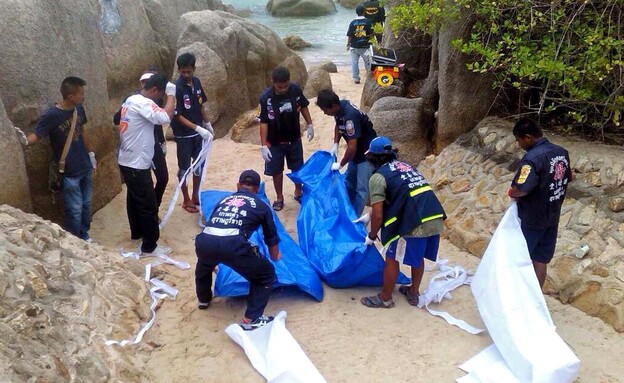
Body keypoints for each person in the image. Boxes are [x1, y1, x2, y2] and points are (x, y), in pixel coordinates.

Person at [359, 136, 446, 309]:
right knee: (418, 255)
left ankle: (385, 298)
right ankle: (413, 292)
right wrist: (369, 215)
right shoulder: (405, 166)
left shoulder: (377, 178)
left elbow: (378, 215)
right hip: (433, 216)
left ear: (372, 158)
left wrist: (372, 234)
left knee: (392, 257)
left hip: (414, 222)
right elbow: (402, 194)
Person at [194, 169, 282, 330]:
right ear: (257, 189)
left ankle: (203, 299)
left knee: (204, 264)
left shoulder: (223, 200)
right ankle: (252, 318)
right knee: (266, 274)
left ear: (238, 186)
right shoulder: (261, 206)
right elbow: (271, 239)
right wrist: (275, 257)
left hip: (205, 242)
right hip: (233, 245)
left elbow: (213, 223)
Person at [14, 76, 97, 242]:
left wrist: (91, 155)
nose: (83, 96)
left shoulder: (79, 109)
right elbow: (38, 134)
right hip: (69, 170)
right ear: (71, 96)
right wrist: (24, 141)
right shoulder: (52, 115)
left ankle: (84, 235)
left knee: (86, 205)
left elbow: (83, 132)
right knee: (74, 209)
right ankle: (76, 240)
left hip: (84, 166)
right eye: (81, 93)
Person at [508, 118, 572, 289]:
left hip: (532, 218)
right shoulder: (561, 153)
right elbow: (567, 178)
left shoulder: (532, 159)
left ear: (528, 137)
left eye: (519, 140)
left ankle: (518, 296)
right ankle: (537, 297)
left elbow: (522, 188)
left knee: (520, 257)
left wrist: (511, 192)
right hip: (552, 215)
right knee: (541, 259)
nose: (519, 144)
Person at [117, 74, 176, 254]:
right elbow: (165, 117)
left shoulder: (130, 100)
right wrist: (172, 95)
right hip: (136, 163)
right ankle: (150, 247)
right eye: (159, 96)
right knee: (148, 205)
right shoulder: (143, 102)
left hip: (127, 160)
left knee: (134, 199)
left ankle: (137, 234)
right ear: (154, 90)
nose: (159, 100)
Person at [259, 66, 314, 211]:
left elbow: (303, 106)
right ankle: (279, 197)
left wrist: (310, 124)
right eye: (280, 87)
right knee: (276, 171)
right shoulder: (266, 98)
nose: (283, 89)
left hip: (294, 138)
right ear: (273, 83)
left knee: (297, 168)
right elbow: (263, 121)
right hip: (275, 141)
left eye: (286, 86)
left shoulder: (295, 90)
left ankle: (298, 191)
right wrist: (263, 145)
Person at [113, 68, 169, 208]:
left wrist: (162, 142)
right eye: (143, 81)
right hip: (139, 151)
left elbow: (157, 125)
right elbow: (117, 119)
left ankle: (153, 206)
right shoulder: (137, 101)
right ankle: (151, 209)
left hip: (153, 145)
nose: (145, 84)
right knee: (141, 189)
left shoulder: (154, 99)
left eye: (147, 81)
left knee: (162, 178)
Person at [316, 89, 376, 216]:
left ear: (333, 106)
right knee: (348, 183)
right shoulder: (339, 108)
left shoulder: (350, 117)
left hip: (366, 155)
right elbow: (338, 125)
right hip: (355, 154)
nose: (325, 113)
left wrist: (341, 164)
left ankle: (355, 216)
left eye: (325, 110)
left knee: (361, 189)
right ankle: (346, 208)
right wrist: (336, 143)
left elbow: (352, 147)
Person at [170, 52, 214, 214]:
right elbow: (178, 115)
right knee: (184, 168)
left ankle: (196, 195)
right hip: (183, 135)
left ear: (194, 69)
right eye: (183, 72)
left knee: (198, 166)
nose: (187, 75)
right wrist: (197, 128)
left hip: (198, 134)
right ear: (179, 70)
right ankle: (186, 199)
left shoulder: (196, 82)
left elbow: (201, 104)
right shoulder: (176, 88)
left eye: (189, 71)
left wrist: (207, 123)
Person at [347, 5, 373, 84]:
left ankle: (356, 78)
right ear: (364, 12)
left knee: (354, 62)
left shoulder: (352, 23)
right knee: (367, 62)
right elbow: (371, 34)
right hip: (365, 45)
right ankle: (369, 76)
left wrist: (348, 44)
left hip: (354, 46)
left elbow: (350, 35)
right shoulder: (368, 22)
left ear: (356, 12)